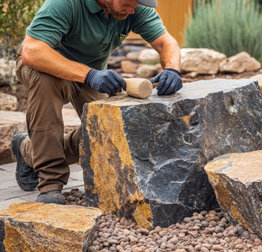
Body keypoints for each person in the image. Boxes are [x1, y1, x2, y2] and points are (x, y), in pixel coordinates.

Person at [11, 0, 182, 204]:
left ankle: (28, 151)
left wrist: (172, 68)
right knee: (45, 84)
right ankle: (50, 183)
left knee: (104, 131)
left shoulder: (135, 6)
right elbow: (33, 51)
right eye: (128, 4)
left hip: (92, 73)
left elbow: (165, 42)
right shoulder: (66, 3)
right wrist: (90, 75)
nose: (132, 10)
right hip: (46, 64)